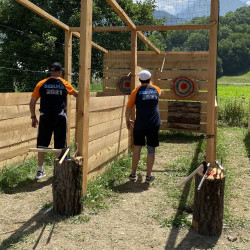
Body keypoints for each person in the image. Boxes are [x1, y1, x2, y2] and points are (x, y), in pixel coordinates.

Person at [30, 62, 78, 180]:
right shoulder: (65, 83)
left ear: (51, 71)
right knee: (59, 144)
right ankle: (58, 172)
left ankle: (40, 171)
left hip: (45, 117)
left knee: (41, 145)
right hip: (60, 117)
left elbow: (32, 102)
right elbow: (77, 94)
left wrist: (33, 117)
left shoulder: (41, 83)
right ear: (60, 72)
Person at [125, 70, 161, 183]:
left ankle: (133, 174)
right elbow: (159, 93)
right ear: (150, 79)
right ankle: (148, 175)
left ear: (139, 80)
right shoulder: (157, 89)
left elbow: (129, 108)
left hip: (139, 124)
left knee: (137, 148)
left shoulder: (135, 91)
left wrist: (127, 120)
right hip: (153, 124)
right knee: (151, 150)